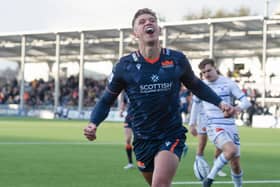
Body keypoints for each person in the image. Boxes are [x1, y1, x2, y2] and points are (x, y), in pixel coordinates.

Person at [83, 8, 234, 187]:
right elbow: (106, 100)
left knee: (159, 185)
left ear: (158, 29)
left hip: (171, 133)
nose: (148, 23)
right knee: (156, 183)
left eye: (152, 20)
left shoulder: (177, 60)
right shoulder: (125, 66)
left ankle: (177, 149)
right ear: (135, 34)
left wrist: (220, 102)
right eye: (142, 22)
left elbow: (196, 85)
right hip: (142, 139)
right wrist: (93, 123)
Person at [196, 58, 251, 187]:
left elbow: (246, 102)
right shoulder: (201, 86)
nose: (207, 74)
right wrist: (193, 123)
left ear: (216, 68)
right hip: (214, 125)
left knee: (235, 165)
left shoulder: (228, 83)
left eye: (209, 70)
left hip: (230, 126)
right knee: (231, 150)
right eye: (204, 72)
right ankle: (209, 179)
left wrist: (235, 109)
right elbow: (195, 104)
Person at [189, 94, 227, 177]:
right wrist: (192, 124)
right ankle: (199, 168)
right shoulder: (200, 87)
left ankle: (217, 166)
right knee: (201, 145)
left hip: (216, 118)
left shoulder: (219, 85)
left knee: (220, 145)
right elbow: (195, 106)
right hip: (203, 118)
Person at [119, 92, 134, 169]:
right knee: (128, 139)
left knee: (141, 140)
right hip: (129, 118)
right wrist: (121, 110)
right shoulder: (126, 92)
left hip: (140, 118)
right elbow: (124, 102)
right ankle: (130, 163)